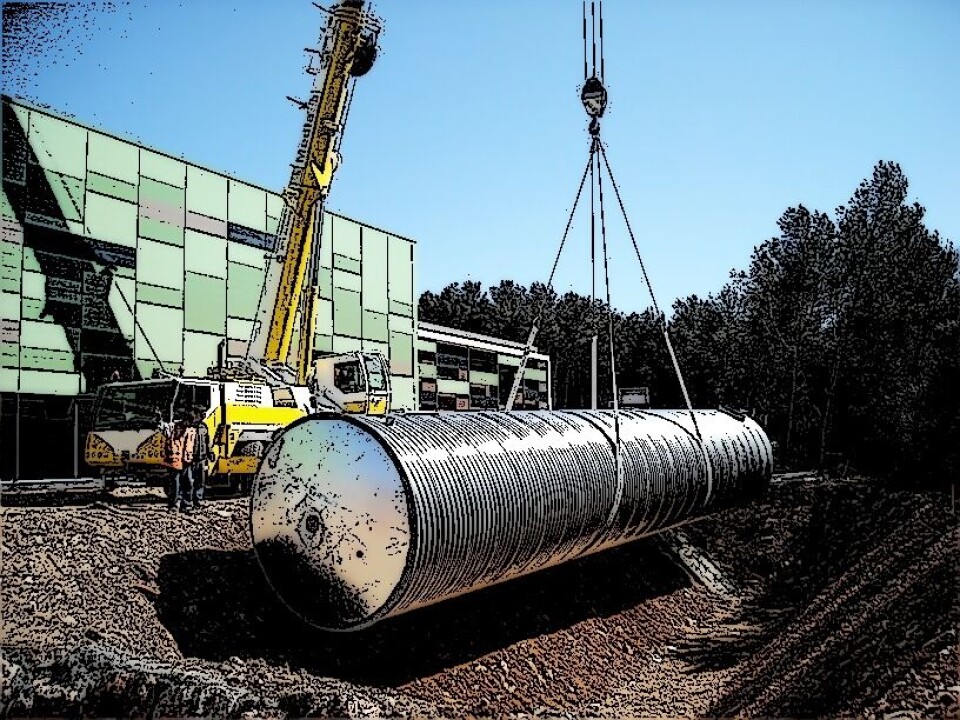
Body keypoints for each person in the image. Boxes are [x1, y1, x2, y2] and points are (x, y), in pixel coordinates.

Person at [164, 417, 197, 512]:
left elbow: (191, 446)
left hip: (186, 461)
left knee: (188, 483)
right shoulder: (174, 428)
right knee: (175, 484)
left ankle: (186, 505)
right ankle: (174, 505)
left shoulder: (191, 430)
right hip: (176, 461)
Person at [191, 409, 213, 508]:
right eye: (201, 414)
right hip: (191, 459)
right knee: (189, 480)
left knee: (201, 480)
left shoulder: (204, 427)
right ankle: (188, 500)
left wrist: (210, 453)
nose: (203, 415)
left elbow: (207, 442)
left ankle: (198, 500)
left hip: (202, 458)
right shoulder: (190, 427)